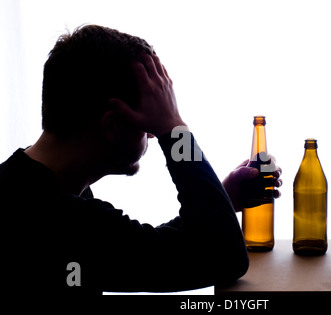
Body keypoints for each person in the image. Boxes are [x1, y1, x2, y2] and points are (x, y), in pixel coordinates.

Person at [0, 25, 282, 295]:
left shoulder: (28, 189)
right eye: (151, 121)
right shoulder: (58, 219)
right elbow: (223, 257)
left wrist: (223, 199)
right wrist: (174, 131)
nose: (151, 134)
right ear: (111, 127)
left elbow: (149, 250)